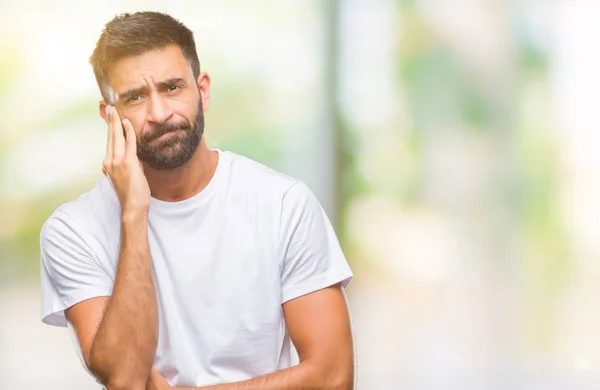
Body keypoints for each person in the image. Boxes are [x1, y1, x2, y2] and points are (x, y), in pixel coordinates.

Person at [39, 11, 354, 390]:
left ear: (202, 89)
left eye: (172, 88)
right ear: (110, 115)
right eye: (136, 97)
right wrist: (134, 213)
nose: (159, 114)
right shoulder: (72, 230)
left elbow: (334, 376)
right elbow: (124, 378)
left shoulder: (284, 205)